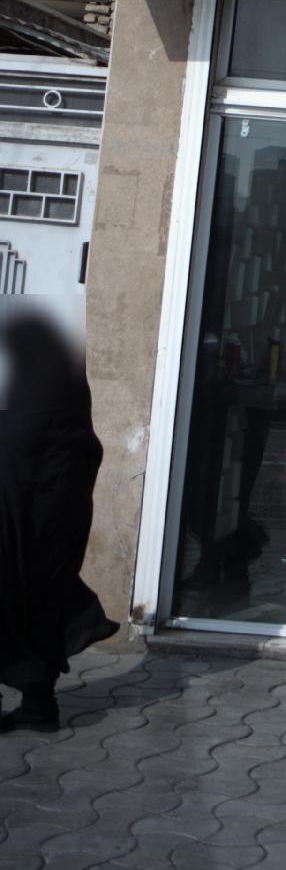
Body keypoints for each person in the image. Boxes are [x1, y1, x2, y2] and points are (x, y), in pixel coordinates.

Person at [0, 310, 117, 733]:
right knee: (43, 594)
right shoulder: (67, 399)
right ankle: (38, 704)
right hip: (53, 514)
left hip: (25, 511)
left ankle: (38, 703)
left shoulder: (25, 407)